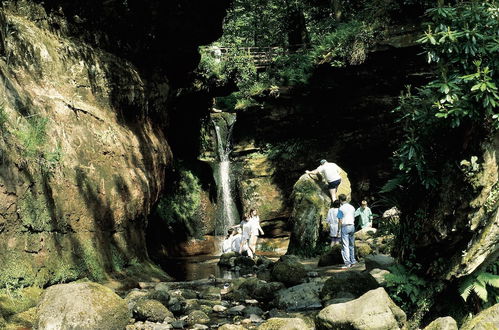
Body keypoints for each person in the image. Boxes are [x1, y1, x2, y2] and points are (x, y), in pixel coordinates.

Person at [337, 193, 357, 268]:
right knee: (351, 245)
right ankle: (353, 261)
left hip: (345, 227)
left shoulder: (341, 208)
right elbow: (354, 217)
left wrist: (338, 230)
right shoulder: (352, 207)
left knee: (345, 245)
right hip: (352, 226)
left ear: (340, 200)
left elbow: (340, 220)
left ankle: (347, 263)